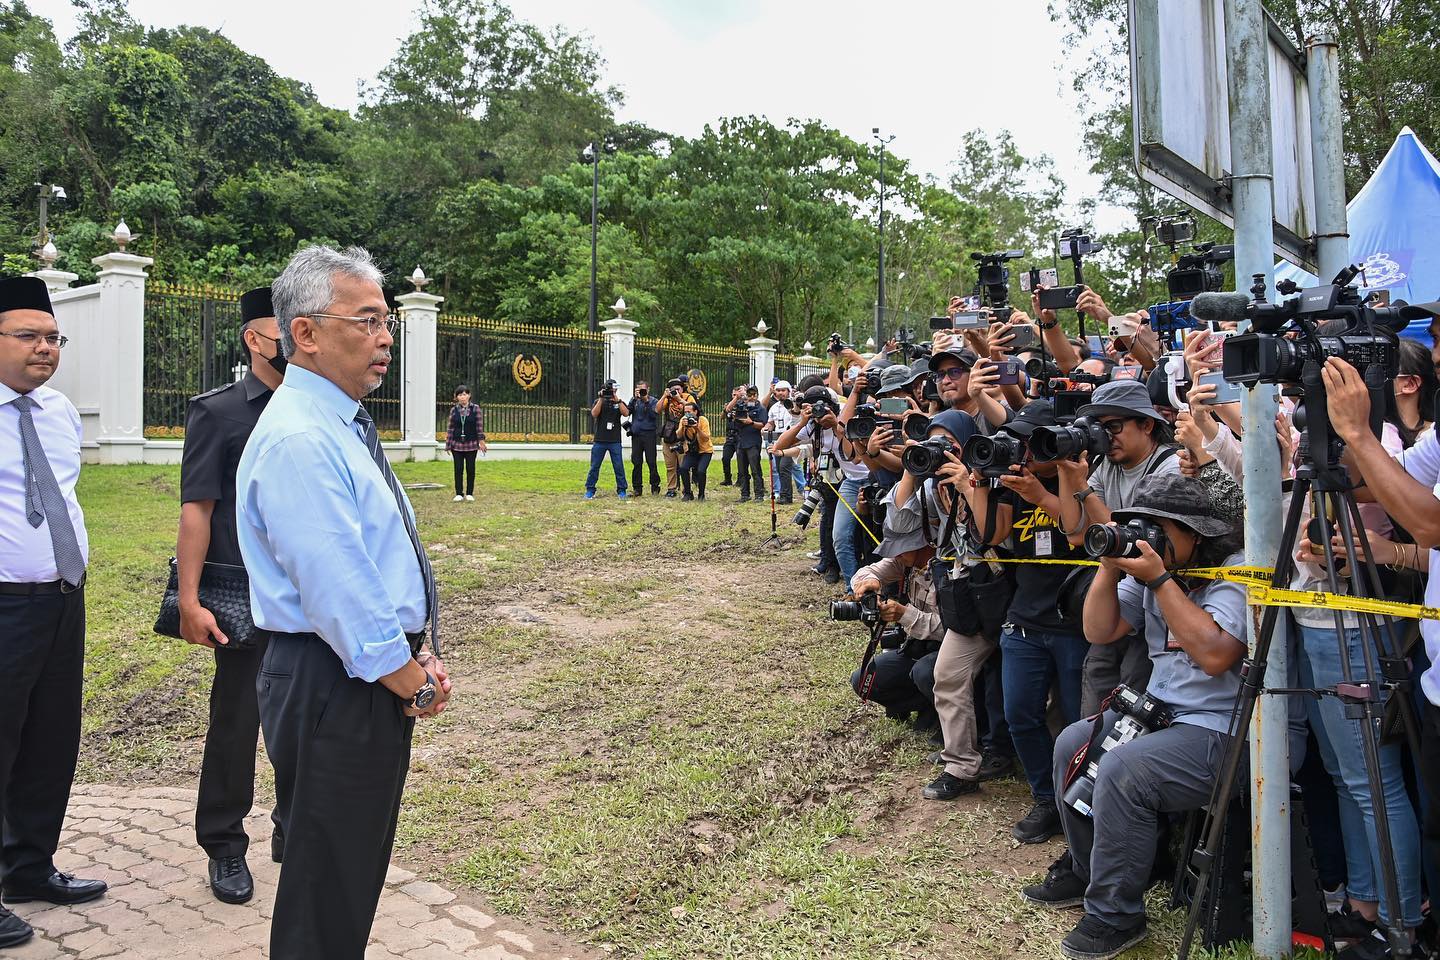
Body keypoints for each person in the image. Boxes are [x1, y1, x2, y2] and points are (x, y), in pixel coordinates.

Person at [236, 245, 453, 960]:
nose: (385, 337)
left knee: (340, 869)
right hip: (335, 677)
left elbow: (376, 563)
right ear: (305, 333)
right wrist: (411, 682)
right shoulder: (302, 435)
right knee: (328, 885)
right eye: (366, 321)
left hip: (355, 674)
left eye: (387, 320)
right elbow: (341, 591)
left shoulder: (338, 421)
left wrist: (414, 655)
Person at [1024, 474, 1247, 960]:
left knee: (1127, 771)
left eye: (1163, 529)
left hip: (1229, 731)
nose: (1151, 538)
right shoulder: (1154, 571)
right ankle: (1091, 874)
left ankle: (1115, 915)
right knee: (1070, 745)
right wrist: (1108, 566)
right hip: (1164, 719)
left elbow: (1214, 656)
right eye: (1144, 528)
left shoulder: (1236, 573)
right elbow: (1099, 630)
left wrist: (1160, 581)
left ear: (1197, 532)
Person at [0, 277, 106, 949]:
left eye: (53, 337)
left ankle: (29, 868)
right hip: (4, 603)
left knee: (49, 741)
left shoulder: (60, 412)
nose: (45, 348)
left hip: (64, 600)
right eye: (29, 336)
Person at [176, 285, 284, 906]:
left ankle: (291, 832)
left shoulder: (320, 406)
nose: (293, 345)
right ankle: (223, 843)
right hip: (244, 596)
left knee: (305, 719)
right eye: (281, 333)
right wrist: (191, 599)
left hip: (307, 595)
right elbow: (198, 509)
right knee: (237, 722)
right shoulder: (218, 413)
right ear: (252, 337)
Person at [962, 401, 1088, 843]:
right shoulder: (1014, 479)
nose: (1026, 449)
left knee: (1077, 723)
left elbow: (1081, 533)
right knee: (1019, 715)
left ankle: (1078, 803)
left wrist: (1041, 495)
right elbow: (991, 536)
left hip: (1075, 622)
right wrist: (979, 485)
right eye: (1020, 439)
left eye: (1034, 440)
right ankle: (1046, 798)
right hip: (1025, 618)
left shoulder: (1079, 474)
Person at [1053, 378, 1181, 714]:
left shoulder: (1170, 467)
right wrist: (1068, 474)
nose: (1106, 438)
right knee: (1097, 676)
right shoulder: (1106, 466)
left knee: (1135, 684)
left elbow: (1133, 542)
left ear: (1147, 424)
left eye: (1114, 426)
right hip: (1122, 587)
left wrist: (1083, 487)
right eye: (1099, 428)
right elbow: (1074, 532)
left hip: (1163, 595)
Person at [848, 524, 945, 727]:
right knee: (863, 679)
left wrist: (904, 614)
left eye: (902, 545)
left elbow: (953, 629)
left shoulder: (947, 567)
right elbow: (866, 572)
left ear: (925, 542)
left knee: (924, 672)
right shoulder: (905, 561)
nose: (895, 553)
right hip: (917, 648)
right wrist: (870, 582)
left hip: (948, 653)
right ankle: (926, 705)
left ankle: (945, 717)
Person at [585, 382, 629, 500]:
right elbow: (594, 414)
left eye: (613, 390)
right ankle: (590, 489)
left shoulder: (619, 402)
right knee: (594, 466)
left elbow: (626, 413)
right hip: (600, 440)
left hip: (614, 440)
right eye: (609, 391)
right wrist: (601, 398)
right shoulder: (599, 401)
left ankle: (622, 490)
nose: (610, 393)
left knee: (618, 466)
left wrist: (617, 399)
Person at [444, 384, 485, 502]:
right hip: (457, 444)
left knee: (470, 468)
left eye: (465, 394)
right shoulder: (454, 410)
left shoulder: (475, 409)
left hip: (471, 444)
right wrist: (448, 444)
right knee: (458, 468)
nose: (462, 397)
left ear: (469, 395)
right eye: (460, 395)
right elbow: (450, 428)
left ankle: (469, 493)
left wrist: (481, 441)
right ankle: (459, 493)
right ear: (456, 397)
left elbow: (479, 426)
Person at [766, 380, 805, 504]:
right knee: (778, 467)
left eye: (783, 390)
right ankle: (784, 493)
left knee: (784, 467)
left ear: (789, 391)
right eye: (778, 390)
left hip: (791, 441)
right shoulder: (773, 407)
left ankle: (787, 496)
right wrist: (766, 428)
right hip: (778, 440)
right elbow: (771, 423)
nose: (780, 393)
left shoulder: (794, 406)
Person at [657, 378, 694, 498]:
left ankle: (686, 489)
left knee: (684, 465)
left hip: (683, 435)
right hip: (669, 434)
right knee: (670, 465)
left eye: (678, 389)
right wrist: (664, 396)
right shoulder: (668, 399)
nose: (676, 391)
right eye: (673, 390)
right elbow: (657, 410)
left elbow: (695, 409)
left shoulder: (688, 398)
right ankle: (671, 489)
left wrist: (679, 399)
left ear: (682, 389)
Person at [735, 385, 768, 502]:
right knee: (742, 470)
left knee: (755, 469)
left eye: (754, 394)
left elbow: (763, 425)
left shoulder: (761, 408)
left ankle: (759, 494)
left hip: (753, 442)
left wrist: (751, 422)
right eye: (749, 395)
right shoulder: (742, 407)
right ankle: (745, 494)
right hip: (741, 441)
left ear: (757, 395)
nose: (752, 397)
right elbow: (734, 421)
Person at [628, 380, 661, 495]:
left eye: (643, 390)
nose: (641, 392)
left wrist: (646, 400)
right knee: (636, 462)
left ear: (648, 389)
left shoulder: (653, 401)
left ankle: (655, 486)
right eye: (639, 389)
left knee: (651, 461)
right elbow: (627, 412)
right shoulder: (635, 401)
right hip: (636, 435)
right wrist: (634, 398)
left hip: (649, 434)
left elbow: (654, 415)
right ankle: (637, 488)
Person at [676, 401, 714, 501]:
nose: (687, 414)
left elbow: (706, 438)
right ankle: (688, 493)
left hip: (705, 451)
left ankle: (701, 495)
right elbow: (679, 435)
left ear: (696, 412)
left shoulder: (703, 420)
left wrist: (696, 428)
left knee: (701, 471)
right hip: (692, 451)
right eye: (685, 412)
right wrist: (683, 426)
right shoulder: (683, 420)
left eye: (689, 412)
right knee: (683, 468)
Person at [721, 385, 744, 486]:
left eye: (737, 394)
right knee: (725, 458)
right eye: (734, 394)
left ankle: (740, 479)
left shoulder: (743, 404)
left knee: (740, 458)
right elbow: (722, 416)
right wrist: (725, 408)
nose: (736, 396)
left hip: (740, 434)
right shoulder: (729, 405)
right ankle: (727, 479)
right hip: (730, 435)